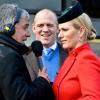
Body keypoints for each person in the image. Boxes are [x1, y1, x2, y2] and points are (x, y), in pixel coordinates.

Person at [0, 4, 54, 100]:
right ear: (9, 28)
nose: (28, 34)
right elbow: (21, 97)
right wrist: (42, 81)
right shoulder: (8, 56)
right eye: (25, 28)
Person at [52, 2, 100, 100]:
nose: (60, 35)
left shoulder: (87, 59)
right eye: (59, 31)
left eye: (65, 30)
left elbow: (93, 98)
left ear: (81, 31)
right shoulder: (71, 57)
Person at [28, 9, 67, 83]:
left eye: (49, 25)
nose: (45, 29)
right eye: (40, 25)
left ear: (57, 28)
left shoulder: (70, 54)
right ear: (34, 28)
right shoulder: (23, 55)